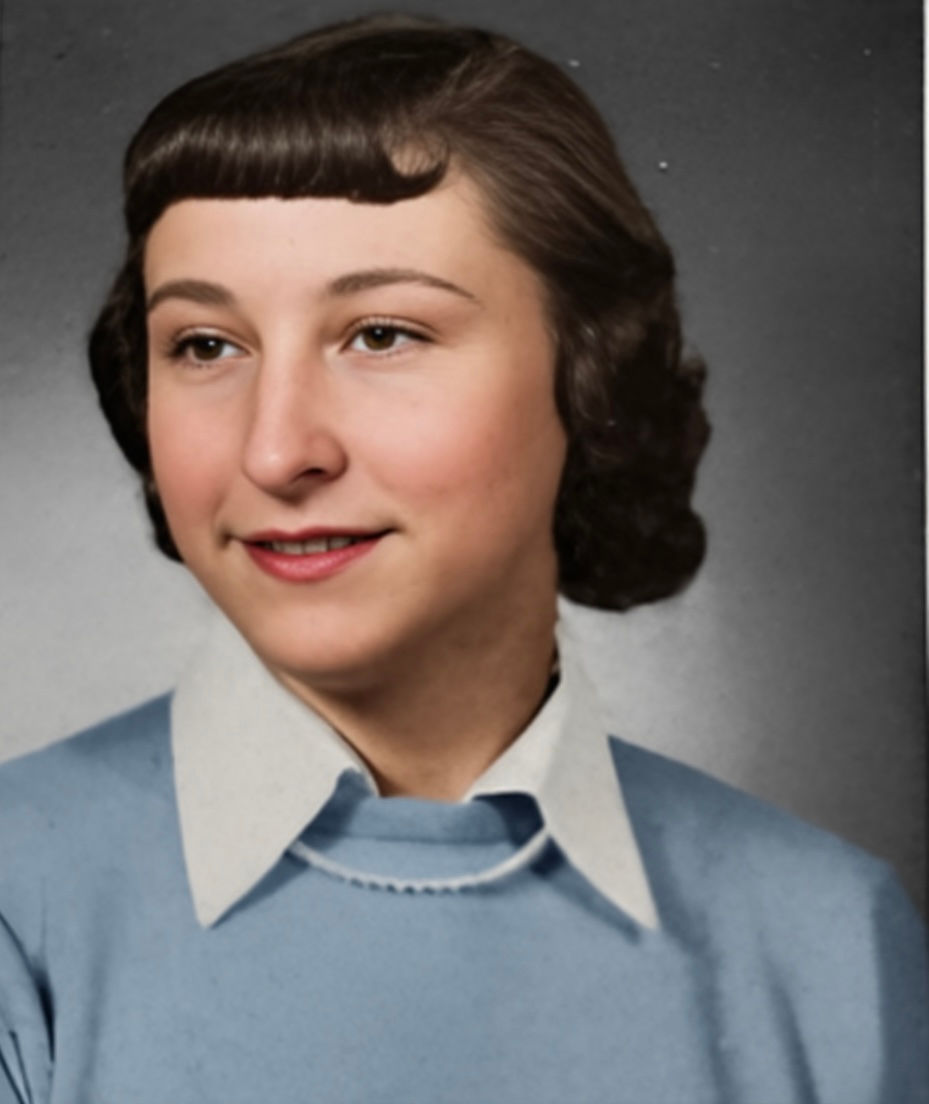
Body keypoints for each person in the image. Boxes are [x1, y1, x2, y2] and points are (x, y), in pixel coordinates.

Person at [0, 13, 925, 1103]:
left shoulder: (827, 936)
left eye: (382, 334)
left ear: (588, 381)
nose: (276, 449)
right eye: (206, 346)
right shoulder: (20, 905)